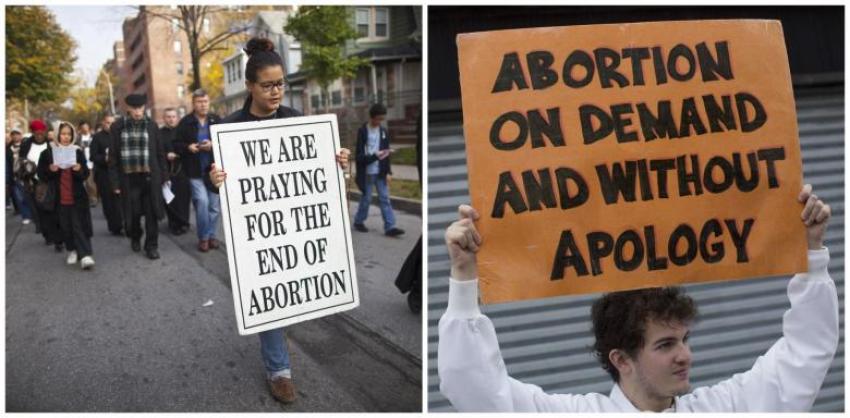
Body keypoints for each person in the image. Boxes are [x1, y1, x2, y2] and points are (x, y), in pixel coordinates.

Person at [439, 184, 838, 412]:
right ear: (621, 359)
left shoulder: (724, 407)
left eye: (684, 339)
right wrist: (463, 276)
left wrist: (811, 252)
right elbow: (474, 389)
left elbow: (806, 351)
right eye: (665, 344)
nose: (685, 355)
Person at [208, 37, 351, 405]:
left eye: (281, 84)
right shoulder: (231, 128)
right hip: (259, 231)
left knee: (294, 285)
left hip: (297, 226)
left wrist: (338, 165)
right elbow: (226, 186)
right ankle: (279, 370)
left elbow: (321, 178)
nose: (276, 92)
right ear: (250, 86)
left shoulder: (299, 122)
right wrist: (216, 180)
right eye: (268, 85)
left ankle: (279, 359)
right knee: (270, 292)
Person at [108, 93, 168, 259]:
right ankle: (135, 235)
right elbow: (112, 156)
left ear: (144, 108)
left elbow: (160, 153)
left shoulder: (152, 125)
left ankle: (152, 246)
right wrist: (114, 183)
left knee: (152, 214)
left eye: (140, 108)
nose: (137, 111)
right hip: (128, 178)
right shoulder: (117, 127)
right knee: (133, 215)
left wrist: (164, 176)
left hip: (150, 177)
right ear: (128, 108)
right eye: (134, 108)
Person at [38, 122, 95, 269]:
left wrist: (79, 169)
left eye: (69, 134)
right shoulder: (48, 153)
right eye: (63, 134)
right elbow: (41, 175)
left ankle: (85, 255)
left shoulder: (77, 151)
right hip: (58, 197)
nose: (66, 137)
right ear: (57, 134)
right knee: (66, 226)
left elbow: (85, 174)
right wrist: (51, 169)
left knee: (79, 225)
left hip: (77, 196)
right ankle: (72, 250)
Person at [174, 89, 222, 250]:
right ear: (193, 104)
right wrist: (188, 147)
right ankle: (204, 237)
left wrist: (213, 145)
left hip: (214, 171)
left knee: (214, 207)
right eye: (200, 102)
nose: (203, 105)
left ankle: (212, 235)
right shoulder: (185, 122)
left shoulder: (216, 120)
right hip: (194, 171)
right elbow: (176, 144)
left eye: (206, 101)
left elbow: (227, 142)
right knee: (201, 203)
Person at [353, 103, 404, 237]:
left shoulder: (383, 132)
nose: (380, 122)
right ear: (372, 117)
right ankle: (359, 221)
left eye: (382, 119)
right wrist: (373, 156)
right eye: (378, 119)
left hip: (381, 171)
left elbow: (386, 154)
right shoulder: (363, 131)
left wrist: (389, 172)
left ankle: (390, 226)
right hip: (367, 172)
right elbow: (358, 156)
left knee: (385, 198)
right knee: (367, 199)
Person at [19, 119, 62, 250]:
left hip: (50, 181)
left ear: (44, 132)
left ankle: (57, 236)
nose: (39, 135)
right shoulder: (26, 145)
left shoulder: (51, 145)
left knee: (54, 209)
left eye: (41, 132)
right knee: (41, 211)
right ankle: (48, 235)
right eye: (36, 133)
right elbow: (20, 164)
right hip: (34, 183)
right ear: (32, 133)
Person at [159, 108, 191, 235]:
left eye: (173, 116)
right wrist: (166, 155)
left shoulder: (182, 131)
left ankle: (184, 222)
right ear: (164, 118)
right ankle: (174, 224)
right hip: (166, 170)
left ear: (177, 118)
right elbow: (157, 150)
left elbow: (187, 147)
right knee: (170, 199)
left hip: (182, 169)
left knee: (183, 198)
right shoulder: (159, 134)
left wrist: (179, 153)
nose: (171, 119)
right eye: (168, 117)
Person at [89, 114, 123, 235]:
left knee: (120, 201)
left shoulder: (120, 135)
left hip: (119, 173)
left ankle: (123, 224)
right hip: (104, 174)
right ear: (103, 123)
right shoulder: (97, 138)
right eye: (108, 122)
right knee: (109, 202)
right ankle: (114, 226)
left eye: (112, 123)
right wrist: (105, 158)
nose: (110, 125)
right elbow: (93, 156)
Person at [7, 128, 32, 224]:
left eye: (17, 134)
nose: (15, 136)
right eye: (13, 134)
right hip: (15, 176)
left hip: (27, 174)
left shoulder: (26, 145)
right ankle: (26, 216)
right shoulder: (8, 149)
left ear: (21, 135)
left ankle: (33, 214)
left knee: (29, 195)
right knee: (19, 197)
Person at [77, 120, 98, 207]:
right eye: (82, 127)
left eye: (86, 127)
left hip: (92, 162)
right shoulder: (78, 139)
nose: (84, 129)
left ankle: (93, 198)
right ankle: (86, 198)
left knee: (91, 182)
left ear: (89, 127)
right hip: (82, 162)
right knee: (84, 182)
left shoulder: (94, 137)